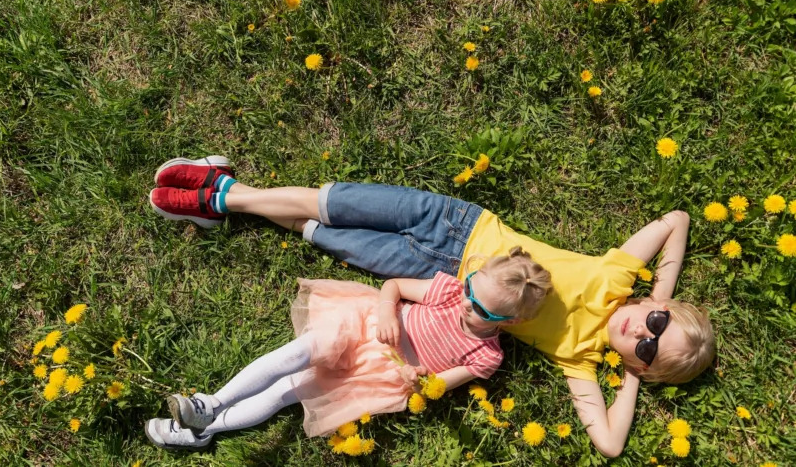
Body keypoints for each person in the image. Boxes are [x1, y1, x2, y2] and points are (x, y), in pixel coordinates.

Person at [148, 156, 716, 457]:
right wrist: (656, 299)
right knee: (332, 198)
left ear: (635, 361)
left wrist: (634, 370)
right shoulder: (619, 276)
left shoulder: (579, 359)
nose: (641, 328)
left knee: (319, 231)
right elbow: (677, 222)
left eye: (646, 344)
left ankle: (217, 194)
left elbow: (610, 443)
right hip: (456, 222)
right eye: (657, 322)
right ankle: (223, 196)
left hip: (428, 280)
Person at [144, 248, 552, 450]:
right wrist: (388, 313)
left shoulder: (487, 356)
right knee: (296, 353)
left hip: (378, 369)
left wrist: (419, 378)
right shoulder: (448, 292)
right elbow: (393, 287)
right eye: (470, 290)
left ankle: (203, 430)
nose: (466, 303)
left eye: (479, 308)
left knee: (287, 391)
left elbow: (437, 385)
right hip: (364, 324)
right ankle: (210, 402)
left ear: (510, 322)